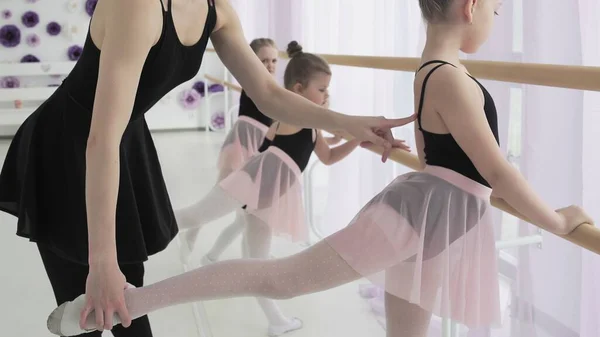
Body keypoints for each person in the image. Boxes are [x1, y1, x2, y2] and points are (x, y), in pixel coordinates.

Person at [47, 1, 593, 336]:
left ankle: (115, 304)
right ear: (470, 6)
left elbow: (458, 162)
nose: (497, 19)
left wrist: (351, 126)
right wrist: (556, 220)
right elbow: (497, 171)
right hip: (425, 214)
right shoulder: (448, 76)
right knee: (279, 277)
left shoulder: (438, 71)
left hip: (437, 218)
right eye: (498, 10)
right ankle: (118, 305)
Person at [0, 0, 414, 336]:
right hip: (67, 145)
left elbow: (269, 93)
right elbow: (99, 139)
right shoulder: (136, 7)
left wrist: (350, 123)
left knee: (129, 302)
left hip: (119, 141)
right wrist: (102, 263)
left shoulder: (216, 10)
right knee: (88, 302)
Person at [175, 41, 374, 336]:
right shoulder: (294, 115)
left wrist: (357, 140)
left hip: (266, 197)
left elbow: (328, 156)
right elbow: (290, 129)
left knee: (257, 262)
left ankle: (277, 321)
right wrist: (349, 129)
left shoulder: (310, 124)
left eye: (327, 90)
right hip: (252, 184)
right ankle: (131, 229)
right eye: (321, 90)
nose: (326, 96)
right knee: (195, 216)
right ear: (297, 89)